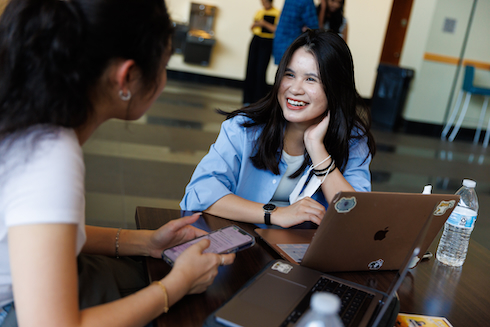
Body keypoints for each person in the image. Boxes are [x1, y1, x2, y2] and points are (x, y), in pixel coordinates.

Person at [0, 0, 235, 326]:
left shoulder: (24, 117)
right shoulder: (50, 155)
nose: (163, 78)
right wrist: (177, 285)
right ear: (126, 78)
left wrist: (146, 242)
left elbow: (47, 233)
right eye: (163, 64)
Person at [181, 30, 376, 229]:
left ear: (335, 89)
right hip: (238, 249)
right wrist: (275, 213)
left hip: (301, 256)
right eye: (289, 74)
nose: (294, 89)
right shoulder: (244, 129)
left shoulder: (353, 142)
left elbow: (357, 221)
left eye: (311, 79)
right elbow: (199, 193)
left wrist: (317, 150)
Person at [242, 0, 280, 106]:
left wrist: (264, 24)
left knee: (260, 70)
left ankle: (258, 99)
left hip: (267, 42)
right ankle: (247, 99)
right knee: (250, 68)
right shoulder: (259, 12)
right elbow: (252, 27)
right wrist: (256, 24)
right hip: (256, 40)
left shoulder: (277, 13)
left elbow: (276, 29)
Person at [272, 0, 319, 65]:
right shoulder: (306, 1)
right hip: (293, 46)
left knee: (284, 72)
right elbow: (314, 28)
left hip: (280, 44)